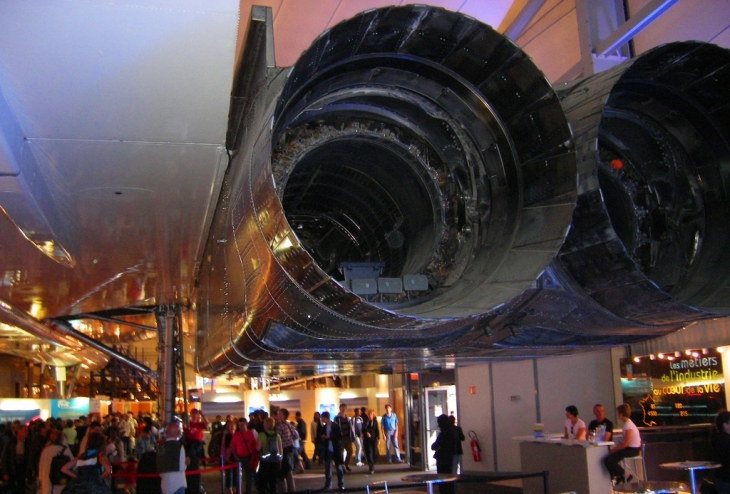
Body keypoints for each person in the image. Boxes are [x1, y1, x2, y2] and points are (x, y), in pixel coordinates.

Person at [603, 404, 642, 484]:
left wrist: (614, 449)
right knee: (609, 459)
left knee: (609, 460)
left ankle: (625, 475)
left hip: (632, 449)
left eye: (618, 413)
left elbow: (626, 443)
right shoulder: (626, 424)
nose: (617, 415)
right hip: (630, 448)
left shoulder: (628, 425)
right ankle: (622, 475)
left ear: (621, 414)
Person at [157, 420, 189, 494]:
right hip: (178, 484)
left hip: (165, 484)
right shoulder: (179, 447)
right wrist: (186, 463)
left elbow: (159, 466)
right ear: (178, 433)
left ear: (166, 432)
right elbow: (181, 467)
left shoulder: (160, 447)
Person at [230, 418, 260, 494]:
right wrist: (235, 456)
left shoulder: (250, 433)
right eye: (239, 425)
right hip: (239, 457)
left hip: (248, 457)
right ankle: (238, 491)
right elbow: (232, 446)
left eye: (242, 425)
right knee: (238, 476)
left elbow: (254, 445)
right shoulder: (236, 435)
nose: (241, 427)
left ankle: (248, 491)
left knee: (249, 476)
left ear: (246, 425)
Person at [38, 428, 72, 494]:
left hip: (47, 481)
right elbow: (72, 463)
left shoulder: (46, 450)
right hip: (60, 480)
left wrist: (40, 479)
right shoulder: (65, 450)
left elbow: (41, 466)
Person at [1, 423, 30, 492]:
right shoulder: (11, 443)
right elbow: (5, 458)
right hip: (13, 469)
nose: (26, 433)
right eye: (24, 431)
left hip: (22, 469)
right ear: (19, 431)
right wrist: (5, 472)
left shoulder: (27, 443)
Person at [431, 414, 456, 494]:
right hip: (450, 456)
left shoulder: (443, 433)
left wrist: (436, 447)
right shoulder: (453, 431)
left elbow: (434, 445)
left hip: (442, 458)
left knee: (442, 478)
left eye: (439, 422)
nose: (438, 425)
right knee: (449, 478)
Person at [319, 411, 344, 491]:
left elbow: (339, 436)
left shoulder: (335, 426)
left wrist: (329, 437)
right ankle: (328, 485)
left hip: (335, 449)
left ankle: (341, 484)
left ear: (325, 418)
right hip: (328, 449)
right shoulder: (324, 427)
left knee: (338, 468)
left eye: (322, 418)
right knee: (327, 468)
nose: (321, 420)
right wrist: (323, 437)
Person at [257, 417, 282, 494]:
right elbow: (280, 450)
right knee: (273, 482)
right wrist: (280, 460)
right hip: (275, 460)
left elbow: (258, 448)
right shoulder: (277, 435)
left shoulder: (261, 435)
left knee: (263, 480)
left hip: (265, 461)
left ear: (265, 425)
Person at [274, 408, 297, 492]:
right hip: (290, 449)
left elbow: (277, 440)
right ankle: (292, 490)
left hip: (282, 450)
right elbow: (295, 436)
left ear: (283, 416)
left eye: (279, 413)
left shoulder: (279, 426)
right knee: (289, 472)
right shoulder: (289, 424)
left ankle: (283, 491)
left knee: (281, 474)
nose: (277, 415)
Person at [712, 410, 730, 494]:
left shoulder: (717, 438)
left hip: (720, 478)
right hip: (726, 479)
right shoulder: (726, 440)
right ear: (725, 425)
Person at [335, 404, 355, 471]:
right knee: (341, 453)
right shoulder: (337, 418)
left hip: (347, 438)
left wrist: (352, 436)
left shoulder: (347, 418)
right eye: (342, 408)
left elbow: (351, 428)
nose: (343, 409)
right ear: (340, 409)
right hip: (341, 438)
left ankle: (346, 464)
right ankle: (342, 466)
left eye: (344, 408)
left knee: (350, 451)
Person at [220, 420, 238, 494]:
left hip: (236, 456)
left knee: (236, 473)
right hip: (228, 456)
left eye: (233, 426)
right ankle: (230, 489)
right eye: (230, 426)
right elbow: (223, 447)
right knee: (229, 474)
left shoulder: (237, 435)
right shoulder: (226, 436)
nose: (231, 427)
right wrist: (223, 457)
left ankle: (235, 487)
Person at [362, 409, 380, 475]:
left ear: (373, 415)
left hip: (373, 439)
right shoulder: (365, 421)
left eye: (371, 414)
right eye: (369, 414)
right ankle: (371, 467)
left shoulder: (375, 421)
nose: (370, 415)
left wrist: (379, 439)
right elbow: (363, 429)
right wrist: (366, 432)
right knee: (369, 453)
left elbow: (377, 430)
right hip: (367, 440)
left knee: (374, 453)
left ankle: (373, 462)